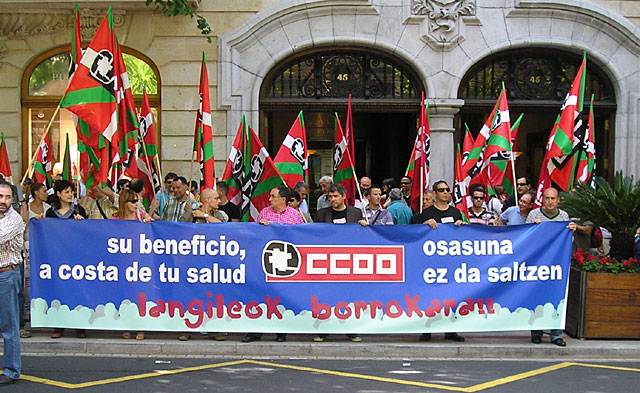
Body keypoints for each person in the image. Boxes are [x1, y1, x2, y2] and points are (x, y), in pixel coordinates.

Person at [243, 186, 303, 343]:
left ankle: (280, 332)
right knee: (259, 296)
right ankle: (255, 332)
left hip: (284, 262)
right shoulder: (264, 213)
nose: (269, 199)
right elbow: (254, 234)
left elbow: (300, 237)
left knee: (280, 298)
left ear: (283, 199)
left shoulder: (295, 215)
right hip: (264, 260)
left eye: (272, 196)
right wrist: (260, 227)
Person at [314, 183, 366, 342]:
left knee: (349, 296)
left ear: (344, 197)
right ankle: (324, 330)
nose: (332, 199)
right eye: (330, 197)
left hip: (349, 261)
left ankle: (351, 331)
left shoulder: (356, 212)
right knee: (327, 297)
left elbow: (365, 236)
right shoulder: (322, 214)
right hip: (328, 261)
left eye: (335, 196)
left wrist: (364, 226)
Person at [414, 180, 465, 343]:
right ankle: (427, 329)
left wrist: (461, 226)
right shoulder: (426, 213)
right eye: (441, 190)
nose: (445, 192)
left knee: (452, 296)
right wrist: (424, 225)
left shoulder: (456, 212)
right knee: (430, 297)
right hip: (431, 263)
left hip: (451, 262)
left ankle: (451, 330)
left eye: (447, 190)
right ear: (434, 194)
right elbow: (414, 234)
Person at [526, 187, 577, 347]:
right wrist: (533, 229)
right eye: (547, 198)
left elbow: (567, 242)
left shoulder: (563, 216)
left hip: (556, 265)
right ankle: (536, 333)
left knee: (557, 297)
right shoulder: (534, 214)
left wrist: (571, 232)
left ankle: (556, 334)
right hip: (537, 264)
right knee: (537, 298)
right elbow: (525, 238)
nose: (550, 201)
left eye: (553, 198)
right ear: (543, 199)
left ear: (558, 200)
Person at [178, 188, 228, 342]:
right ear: (207, 200)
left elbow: (224, 227)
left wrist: (205, 216)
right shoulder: (189, 215)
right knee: (190, 296)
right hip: (192, 264)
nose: (219, 201)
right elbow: (176, 230)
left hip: (213, 265)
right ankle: (187, 328)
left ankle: (213, 329)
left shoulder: (219, 215)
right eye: (215, 198)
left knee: (212, 297)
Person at [46, 180, 88, 339]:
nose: (70, 195)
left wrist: (82, 223)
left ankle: (80, 325)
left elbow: (87, 234)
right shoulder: (51, 213)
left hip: (76, 257)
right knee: (58, 290)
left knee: (78, 290)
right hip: (57, 257)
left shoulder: (79, 210)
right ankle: (59, 325)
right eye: (67, 192)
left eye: (71, 192)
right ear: (58, 194)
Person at [112, 189, 150, 340]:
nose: (136, 204)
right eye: (133, 201)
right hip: (121, 262)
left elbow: (151, 222)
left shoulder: (140, 215)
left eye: (137, 201)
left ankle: (141, 327)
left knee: (140, 294)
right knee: (124, 295)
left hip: (140, 262)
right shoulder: (115, 219)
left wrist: (148, 221)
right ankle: (126, 326)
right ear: (124, 202)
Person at [0, 179, 25, 385]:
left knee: (9, 326)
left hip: (6, 276)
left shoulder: (14, 219)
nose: (4, 201)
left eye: (8, 197)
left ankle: (11, 369)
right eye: (0, 196)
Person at [19, 182, 50, 339]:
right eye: (44, 191)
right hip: (28, 246)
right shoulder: (27, 206)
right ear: (36, 193)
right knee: (27, 278)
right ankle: (27, 309)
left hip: (43, 247)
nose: (46, 193)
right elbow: (23, 224)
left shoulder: (48, 208)